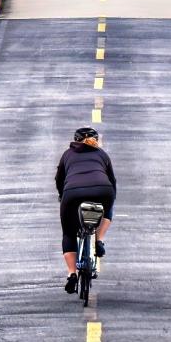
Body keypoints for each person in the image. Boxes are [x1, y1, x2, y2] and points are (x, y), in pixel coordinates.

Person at [55, 125, 116, 294]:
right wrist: (110, 200)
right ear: (95, 141)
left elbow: (60, 180)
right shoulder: (102, 155)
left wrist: (63, 197)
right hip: (103, 190)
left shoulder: (67, 155)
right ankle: (99, 240)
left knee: (68, 232)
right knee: (109, 208)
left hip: (72, 193)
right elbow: (113, 181)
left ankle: (72, 274)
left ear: (76, 140)